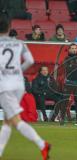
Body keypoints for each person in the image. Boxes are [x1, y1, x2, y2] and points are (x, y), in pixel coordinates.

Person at [0, 12, 50, 159]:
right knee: (8, 122)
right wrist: (17, 71)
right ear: (9, 28)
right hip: (18, 84)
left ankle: (42, 144)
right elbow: (30, 61)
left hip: (5, 86)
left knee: (15, 121)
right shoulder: (19, 43)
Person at [59, 43, 77, 126]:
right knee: (65, 101)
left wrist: (74, 66)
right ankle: (62, 119)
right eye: (72, 48)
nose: (74, 50)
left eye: (75, 48)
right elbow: (69, 68)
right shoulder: (66, 58)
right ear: (69, 50)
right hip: (68, 82)